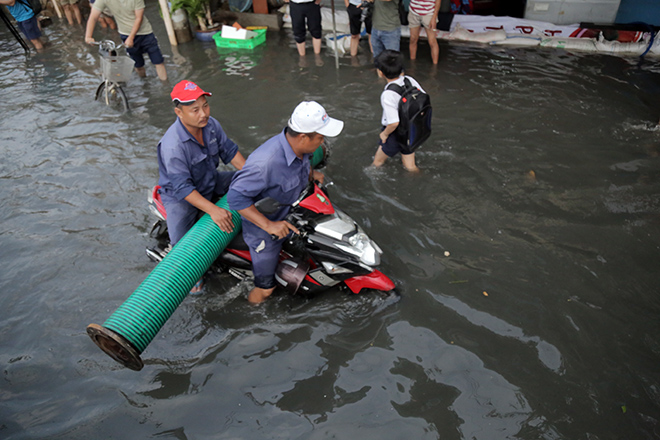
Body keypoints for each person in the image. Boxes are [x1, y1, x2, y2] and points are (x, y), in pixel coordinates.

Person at [226, 101, 344, 304]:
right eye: (320, 137)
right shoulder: (265, 164)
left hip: (291, 214)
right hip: (265, 229)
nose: (322, 142)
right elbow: (235, 198)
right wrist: (269, 225)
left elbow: (300, 167)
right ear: (303, 137)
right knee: (266, 290)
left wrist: (312, 174)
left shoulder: (301, 149)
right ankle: (253, 309)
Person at [157, 80, 246, 292]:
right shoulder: (173, 145)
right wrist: (214, 210)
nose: (203, 113)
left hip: (210, 181)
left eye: (205, 105)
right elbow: (183, 188)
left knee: (253, 183)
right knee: (186, 261)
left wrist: (251, 176)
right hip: (181, 198)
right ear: (179, 112)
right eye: (195, 110)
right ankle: (191, 280)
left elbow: (230, 152)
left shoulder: (211, 125)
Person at [85, 0, 167, 81]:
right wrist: (88, 36)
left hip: (145, 33)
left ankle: (165, 87)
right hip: (125, 34)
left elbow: (139, 18)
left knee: (158, 61)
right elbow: (93, 17)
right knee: (138, 65)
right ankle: (144, 82)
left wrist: (131, 38)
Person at [372, 49, 424, 172]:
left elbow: (394, 122)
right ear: (402, 69)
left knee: (377, 162)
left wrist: (384, 134)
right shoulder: (409, 80)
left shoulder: (388, 94)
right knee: (410, 166)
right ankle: (417, 177)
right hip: (412, 129)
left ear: (380, 72)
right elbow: (423, 98)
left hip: (395, 133)